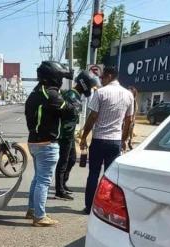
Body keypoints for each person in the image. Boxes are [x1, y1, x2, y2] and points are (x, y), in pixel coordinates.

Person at [25, 61, 77, 227]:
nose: (61, 80)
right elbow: (69, 110)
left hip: (34, 142)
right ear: (54, 77)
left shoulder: (34, 93)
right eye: (60, 76)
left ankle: (32, 210)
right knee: (44, 181)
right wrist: (74, 102)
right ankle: (39, 216)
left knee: (37, 178)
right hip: (46, 144)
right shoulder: (52, 94)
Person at [80, 67, 134, 214]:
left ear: (109, 76)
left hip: (99, 140)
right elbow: (129, 121)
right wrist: (123, 139)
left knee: (93, 174)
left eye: (103, 77)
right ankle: (106, 209)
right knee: (110, 178)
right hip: (115, 142)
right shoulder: (128, 95)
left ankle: (89, 206)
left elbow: (92, 117)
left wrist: (84, 136)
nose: (101, 80)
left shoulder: (101, 92)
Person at [55, 71, 98, 200]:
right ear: (83, 83)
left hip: (70, 134)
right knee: (63, 161)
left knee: (72, 159)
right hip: (65, 134)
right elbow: (65, 116)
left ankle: (63, 183)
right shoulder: (71, 95)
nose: (90, 88)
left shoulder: (77, 96)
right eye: (90, 85)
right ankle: (59, 190)